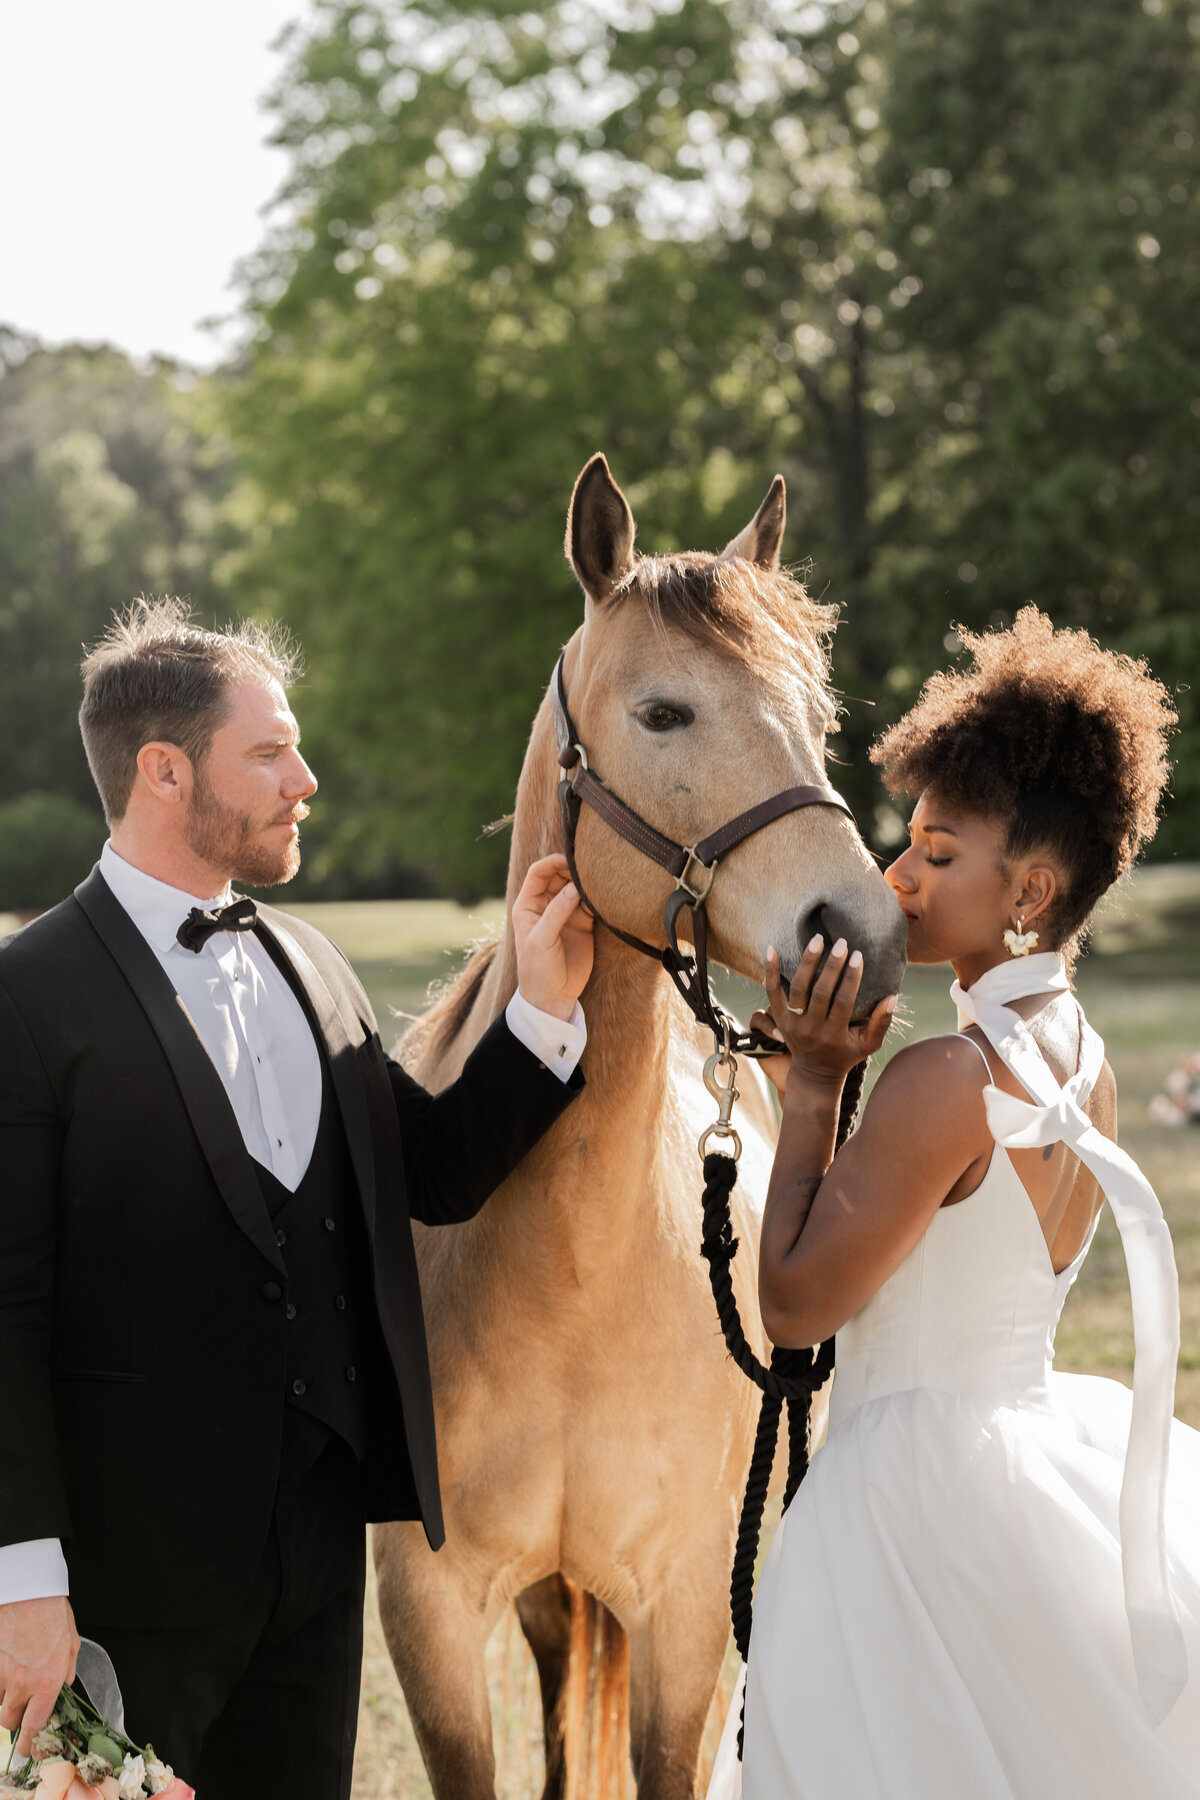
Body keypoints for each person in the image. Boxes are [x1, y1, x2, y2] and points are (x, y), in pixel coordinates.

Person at [0, 598, 595, 1798]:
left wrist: (539, 1009)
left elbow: (428, 1171)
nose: (305, 779)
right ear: (164, 771)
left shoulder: (312, 965)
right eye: (269, 751)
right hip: (125, 1587)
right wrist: (22, 1582)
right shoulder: (29, 995)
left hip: (315, 1575)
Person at [707, 607, 1200, 1798]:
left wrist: (820, 1086)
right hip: (1022, 1460)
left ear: (1028, 890)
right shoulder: (1082, 1058)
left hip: (906, 1506)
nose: (897, 876)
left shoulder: (950, 1076)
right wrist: (809, 1077)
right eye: (908, 842)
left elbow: (795, 1308)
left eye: (937, 851)